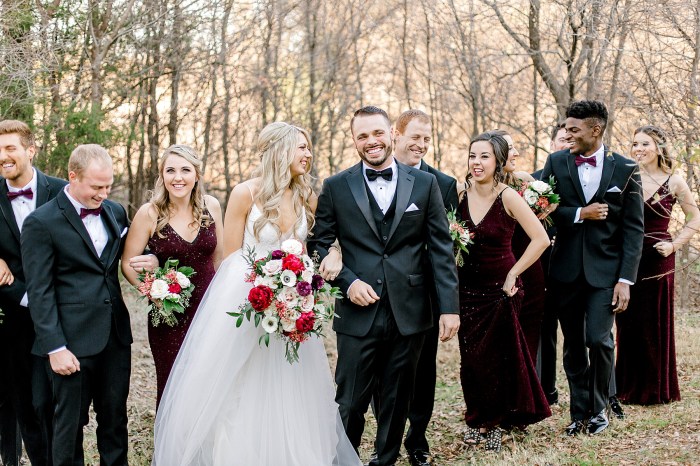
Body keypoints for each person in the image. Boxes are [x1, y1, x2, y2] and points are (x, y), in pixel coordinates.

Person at [152, 122, 358, 466]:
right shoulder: (245, 193)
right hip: (246, 298)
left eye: (308, 148)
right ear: (280, 149)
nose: (308, 154)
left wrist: (329, 256)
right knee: (240, 386)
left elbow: (323, 242)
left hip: (293, 301)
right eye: (301, 147)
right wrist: (264, 291)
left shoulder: (308, 195)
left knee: (291, 386)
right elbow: (231, 255)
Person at [308, 106, 460, 466]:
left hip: (410, 311)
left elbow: (440, 248)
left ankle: (385, 461)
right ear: (354, 141)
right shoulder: (335, 186)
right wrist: (347, 281)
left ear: (391, 133)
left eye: (377, 133)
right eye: (362, 136)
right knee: (350, 401)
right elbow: (319, 245)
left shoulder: (425, 185)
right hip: (357, 313)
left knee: (396, 400)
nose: (371, 142)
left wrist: (449, 307)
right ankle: (343, 461)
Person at [21, 144, 131, 466]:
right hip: (70, 343)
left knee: (115, 423)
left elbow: (119, 260)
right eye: (97, 187)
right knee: (68, 430)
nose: (103, 193)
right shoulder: (41, 222)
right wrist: (54, 346)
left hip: (115, 337)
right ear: (73, 176)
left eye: (108, 186)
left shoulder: (115, 212)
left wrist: (148, 258)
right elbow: (39, 291)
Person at [541, 100, 644, 436]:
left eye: (574, 129)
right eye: (566, 129)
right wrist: (578, 213)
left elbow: (633, 230)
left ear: (595, 129)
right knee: (573, 345)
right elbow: (540, 206)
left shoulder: (626, 169)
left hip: (607, 274)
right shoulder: (556, 161)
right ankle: (578, 411)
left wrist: (625, 279)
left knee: (599, 340)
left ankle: (599, 408)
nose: (567, 135)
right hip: (565, 271)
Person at [457, 132, 550, 452]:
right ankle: (477, 417)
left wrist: (514, 273)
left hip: (501, 290)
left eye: (484, 156)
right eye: (472, 156)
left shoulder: (508, 196)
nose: (477, 162)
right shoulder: (459, 194)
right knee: (471, 360)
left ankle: (496, 422)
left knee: (499, 358)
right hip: (467, 291)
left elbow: (540, 239)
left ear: (497, 160)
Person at [121, 144, 224, 407]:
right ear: (162, 176)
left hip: (209, 309)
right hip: (169, 314)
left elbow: (219, 258)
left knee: (211, 383)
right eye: (170, 170)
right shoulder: (150, 213)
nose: (178, 177)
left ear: (197, 175)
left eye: (185, 170)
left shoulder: (211, 206)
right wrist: (154, 291)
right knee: (173, 384)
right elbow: (128, 264)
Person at [385, 109, 457, 466]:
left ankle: (417, 438)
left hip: (423, 293)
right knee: (382, 370)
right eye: (415, 137)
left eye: (427, 139)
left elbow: (447, 246)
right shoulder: (368, 175)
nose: (422, 145)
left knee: (422, 371)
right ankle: (387, 438)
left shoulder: (442, 184)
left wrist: (448, 304)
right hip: (379, 294)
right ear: (396, 134)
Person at [615, 125, 700, 405]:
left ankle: (656, 389)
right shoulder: (627, 177)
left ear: (659, 147)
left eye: (645, 144)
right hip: (629, 257)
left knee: (655, 321)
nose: (638, 149)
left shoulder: (674, 181)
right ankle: (626, 387)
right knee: (627, 321)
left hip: (660, 257)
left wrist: (675, 244)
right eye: (635, 144)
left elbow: (694, 218)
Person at [0, 119, 66, 466]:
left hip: (59, 314)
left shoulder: (62, 191)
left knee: (55, 403)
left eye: (10, 148)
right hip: (12, 315)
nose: (3, 156)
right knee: (24, 402)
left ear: (30, 149)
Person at [486, 129, 549, 365]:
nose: (516, 153)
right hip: (496, 272)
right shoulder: (478, 188)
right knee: (499, 342)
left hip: (530, 270)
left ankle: (526, 397)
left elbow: (541, 228)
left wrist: (547, 210)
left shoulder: (526, 181)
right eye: (510, 148)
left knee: (528, 339)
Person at [533, 123, 569, 406]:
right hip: (542, 266)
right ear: (553, 145)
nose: (567, 144)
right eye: (561, 140)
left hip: (574, 265)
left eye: (571, 139)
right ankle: (546, 390)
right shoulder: (534, 182)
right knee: (543, 329)